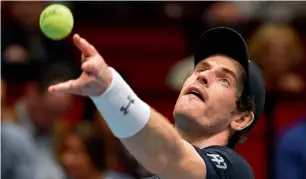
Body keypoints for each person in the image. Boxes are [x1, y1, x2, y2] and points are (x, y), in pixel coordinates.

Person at [49, 27, 265, 179]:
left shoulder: (233, 171)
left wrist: (110, 88)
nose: (203, 76)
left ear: (242, 117)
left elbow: (169, 155)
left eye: (224, 79)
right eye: (200, 69)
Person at [1, 62, 75, 179]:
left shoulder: (63, 134)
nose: (52, 119)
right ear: (32, 92)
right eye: (49, 110)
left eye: (59, 113)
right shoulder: (5, 128)